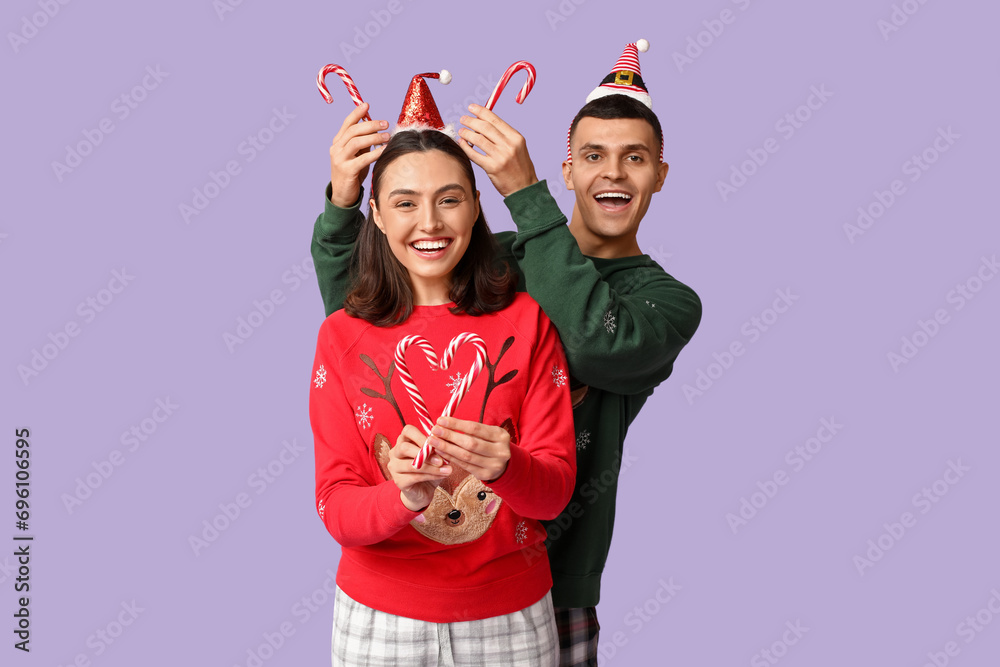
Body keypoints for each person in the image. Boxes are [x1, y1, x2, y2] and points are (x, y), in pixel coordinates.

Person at [312, 43, 702, 666]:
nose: (613, 174)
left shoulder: (665, 302)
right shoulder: (500, 259)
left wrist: (525, 194)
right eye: (594, 155)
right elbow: (366, 314)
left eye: (635, 158)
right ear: (568, 168)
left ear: (661, 173)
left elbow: (589, 339)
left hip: (551, 570)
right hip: (417, 575)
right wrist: (343, 201)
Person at [310, 72, 576, 667]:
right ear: (374, 214)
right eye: (405, 203)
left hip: (511, 618)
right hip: (378, 621)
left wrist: (509, 466)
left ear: (477, 207)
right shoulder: (340, 337)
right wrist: (401, 495)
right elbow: (335, 506)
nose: (429, 223)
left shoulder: (528, 322)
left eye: (449, 199)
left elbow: (555, 492)